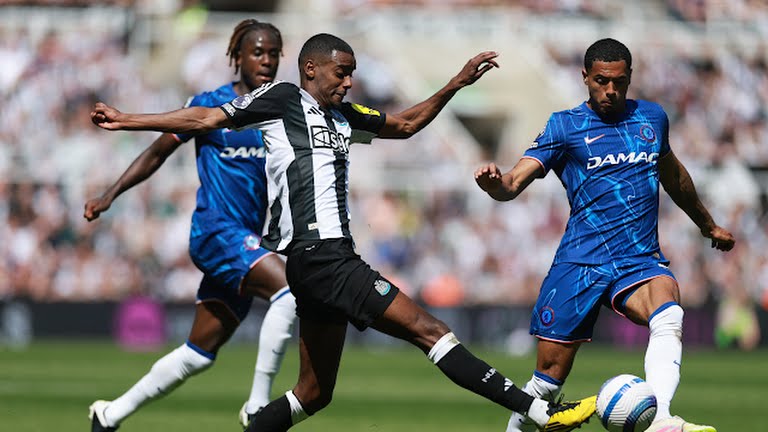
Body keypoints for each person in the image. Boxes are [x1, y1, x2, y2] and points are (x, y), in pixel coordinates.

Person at [90, 33, 596, 432]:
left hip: (318, 266)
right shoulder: (285, 98)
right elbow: (205, 116)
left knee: (313, 394)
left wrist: (455, 84)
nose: (349, 82)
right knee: (431, 332)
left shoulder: (343, 116)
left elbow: (406, 125)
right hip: (325, 259)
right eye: (341, 72)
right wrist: (127, 118)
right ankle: (539, 413)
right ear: (311, 68)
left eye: (352, 73)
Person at [474, 38, 735, 432]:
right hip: (580, 263)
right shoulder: (564, 126)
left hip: (638, 260)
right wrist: (495, 184)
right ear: (585, 77)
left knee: (669, 313)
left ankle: (661, 418)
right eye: (601, 81)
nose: (610, 90)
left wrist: (707, 224)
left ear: (630, 78)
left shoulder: (652, 118)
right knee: (546, 384)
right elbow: (512, 183)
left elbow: (675, 177)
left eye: (619, 82)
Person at [86, 20, 298, 432]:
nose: (267, 61)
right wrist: (110, 194)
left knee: (199, 353)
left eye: (274, 53)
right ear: (238, 57)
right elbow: (157, 152)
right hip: (216, 232)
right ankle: (257, 407)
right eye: (258, 53)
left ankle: (109, 414)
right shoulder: (211, 104)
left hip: (249, 241)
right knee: (289, 288)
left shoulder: (279, 112)